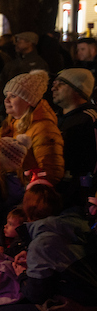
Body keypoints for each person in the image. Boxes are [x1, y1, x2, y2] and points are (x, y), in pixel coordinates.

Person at [0, 70, 64, 185]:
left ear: (28, 101)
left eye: (13, 96)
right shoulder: (10, 124)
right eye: (6, 95)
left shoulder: (43, 128)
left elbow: (51, 172)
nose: (6, 100)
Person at [51, 68, 97, 211]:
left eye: (61, 84)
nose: (53, 88)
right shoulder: (54, 117)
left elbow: (92, 163)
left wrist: (84, 193)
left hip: (75, 197)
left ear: (77, 89)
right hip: (54, 189)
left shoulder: (89, 119)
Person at [0, 32, 51, 109]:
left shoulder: (39, 64)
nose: (16, 44)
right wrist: (1, 102)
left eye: (20, 41)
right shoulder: (13, 63)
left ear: (29, 43)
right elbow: (0, 82)